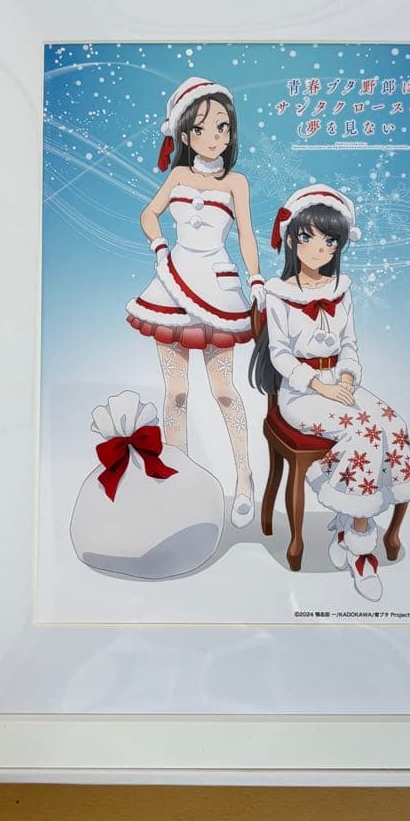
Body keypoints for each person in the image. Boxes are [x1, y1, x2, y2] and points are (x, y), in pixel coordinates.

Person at [248, 184, 410, 600]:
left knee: (392, 424)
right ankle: (360, 544)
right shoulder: (278, 294)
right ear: (291, 239)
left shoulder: (341, 290)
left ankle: (350, 518)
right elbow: (280, 355)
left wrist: (346, 378)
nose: (320, 249)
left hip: (340, 385)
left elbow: (350, 345)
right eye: (310, 237)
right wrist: (318, 386)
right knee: (364, 433)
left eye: (330, 241)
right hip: (299, 393)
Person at [126, 77, 265, 528]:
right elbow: (149, 213)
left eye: (222, 127)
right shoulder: (179, 176)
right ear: (185, 136)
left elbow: (246, 234)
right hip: (173, 284)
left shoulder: (236, 182)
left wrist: (256, 278)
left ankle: (243, 477)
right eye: (202, 129)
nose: (214, 137)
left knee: (224, 391)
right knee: (177, 393)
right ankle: (179, 482)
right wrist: (159, 247)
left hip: (217, 286)